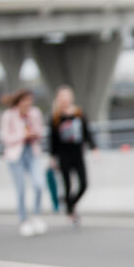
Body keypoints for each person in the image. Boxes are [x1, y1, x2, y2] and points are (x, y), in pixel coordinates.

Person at [0, 89, 47, 237]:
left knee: (39, 185)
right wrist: (23, 134)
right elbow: (5, 138)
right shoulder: (9, 115)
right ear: (19, 101)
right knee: (21, 189)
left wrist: (35, 133)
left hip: (32, 152)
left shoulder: (35, 113)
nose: (28, 103)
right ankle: (23, 220)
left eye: (30, 100)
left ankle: (37, 216)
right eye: (25, 100)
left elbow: (41, 131)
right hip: (15, 156)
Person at [49, 85, 96, 225]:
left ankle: (70, 205)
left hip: (78, 153)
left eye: (67, 96)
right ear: (58, 99)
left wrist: (94, 147)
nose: (65, 99)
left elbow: (87, 132)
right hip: (63, 155)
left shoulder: (79, 113)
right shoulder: (56, 117)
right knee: (67, 184)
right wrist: (52, 157)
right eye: (62, 97)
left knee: (84, 184)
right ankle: (71, 212)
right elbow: (53, 139)